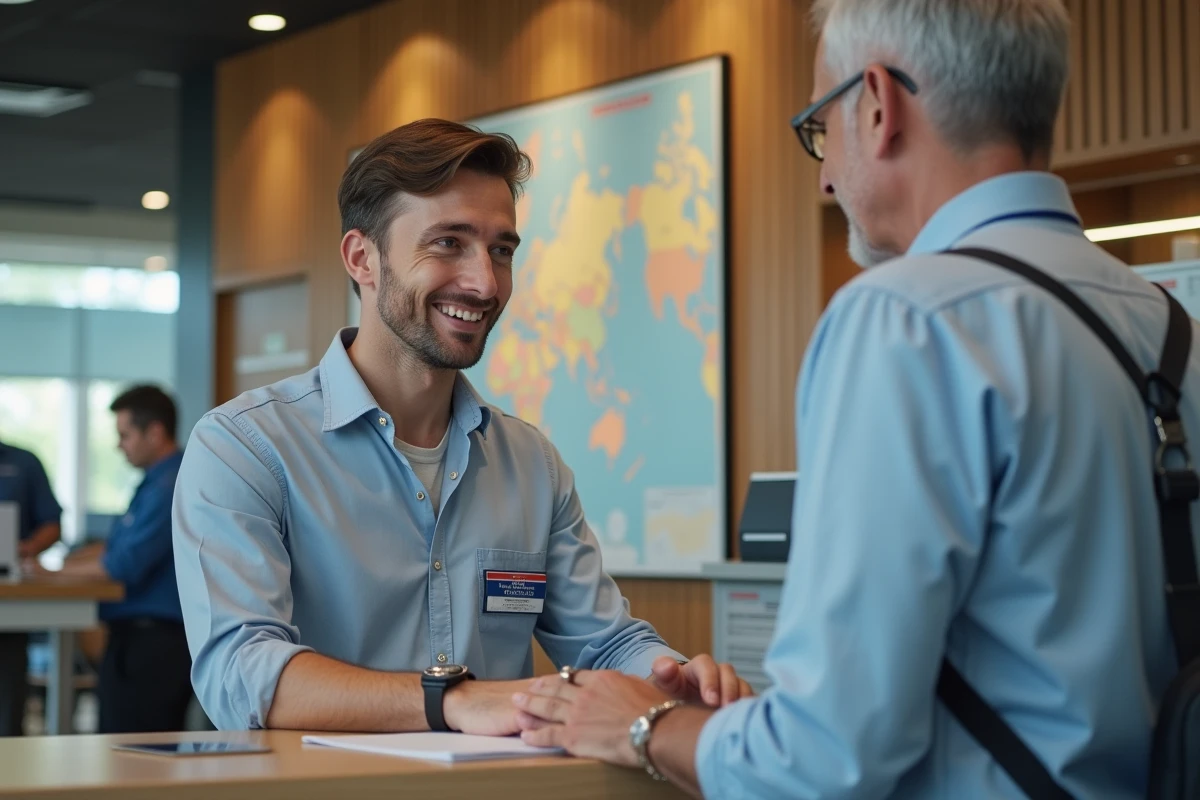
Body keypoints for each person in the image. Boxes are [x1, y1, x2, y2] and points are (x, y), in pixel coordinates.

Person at [512, 1, 1200, 797]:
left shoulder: (905, 318)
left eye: (820, 126)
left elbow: (824, 758)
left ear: (878, 104)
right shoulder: (1168, 326)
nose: (827, 172)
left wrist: (642, 726)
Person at [172, 119, 752, 734]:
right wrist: (449, 699)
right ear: (361, 259)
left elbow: (602, 647)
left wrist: (673, 679)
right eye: (448, 242)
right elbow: (240, 674)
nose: (484, 282)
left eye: (501, 250)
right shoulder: (245, 448)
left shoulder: (531, 463)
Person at [49, 385, 192, 733]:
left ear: (155, 432)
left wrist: (52, 575)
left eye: (125, 435)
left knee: (137, 760)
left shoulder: (170, 486)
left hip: (155, 644)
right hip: (136, 638)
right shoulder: (154, 483)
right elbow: (113, 548)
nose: (119, 445)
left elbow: (124, 564)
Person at [0, 439, 61, 735]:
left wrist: (26, 549)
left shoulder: (23, 462)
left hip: (10, 607)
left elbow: (51, 521)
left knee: (8, 715)